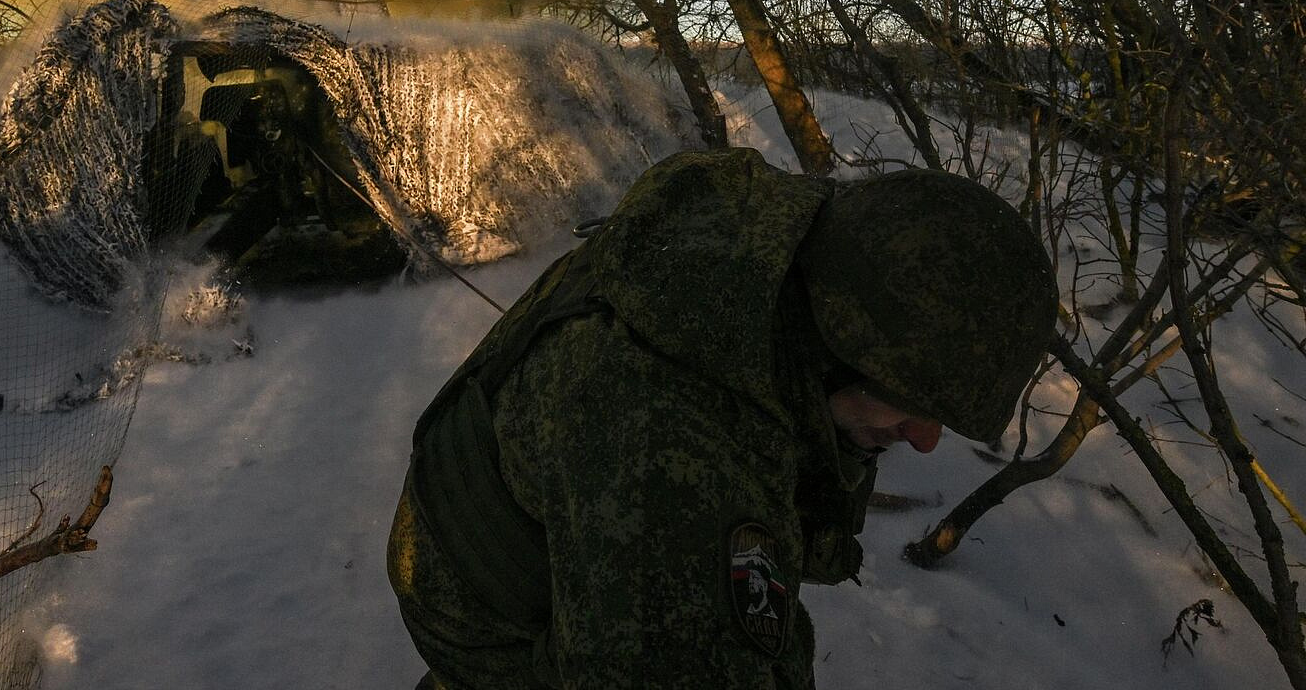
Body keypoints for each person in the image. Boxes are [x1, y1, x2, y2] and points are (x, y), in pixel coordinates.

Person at [387, 147, 1058, 689]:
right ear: (836, 347)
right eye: (912, 405)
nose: (926, 439)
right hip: (497, 636)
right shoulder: (668, 457)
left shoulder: (756, 262)